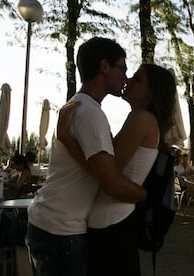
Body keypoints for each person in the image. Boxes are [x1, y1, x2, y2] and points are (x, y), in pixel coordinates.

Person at [26, 37, 147, 276]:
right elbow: (110, 182)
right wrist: (143, 194)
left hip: (49, 222)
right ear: (104, 67)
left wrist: (67, 140)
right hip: (62, 231)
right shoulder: (90, 114)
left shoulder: (79, 107)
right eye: (122, 68)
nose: (125, 76)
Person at [57, 63, 176, 275]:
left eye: (137, 79)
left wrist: (66, 139)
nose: (128, 80)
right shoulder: (144, 120)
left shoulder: (141, 119)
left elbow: (107, 173)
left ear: (152, 92)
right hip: (114, 221)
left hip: (111, 224)